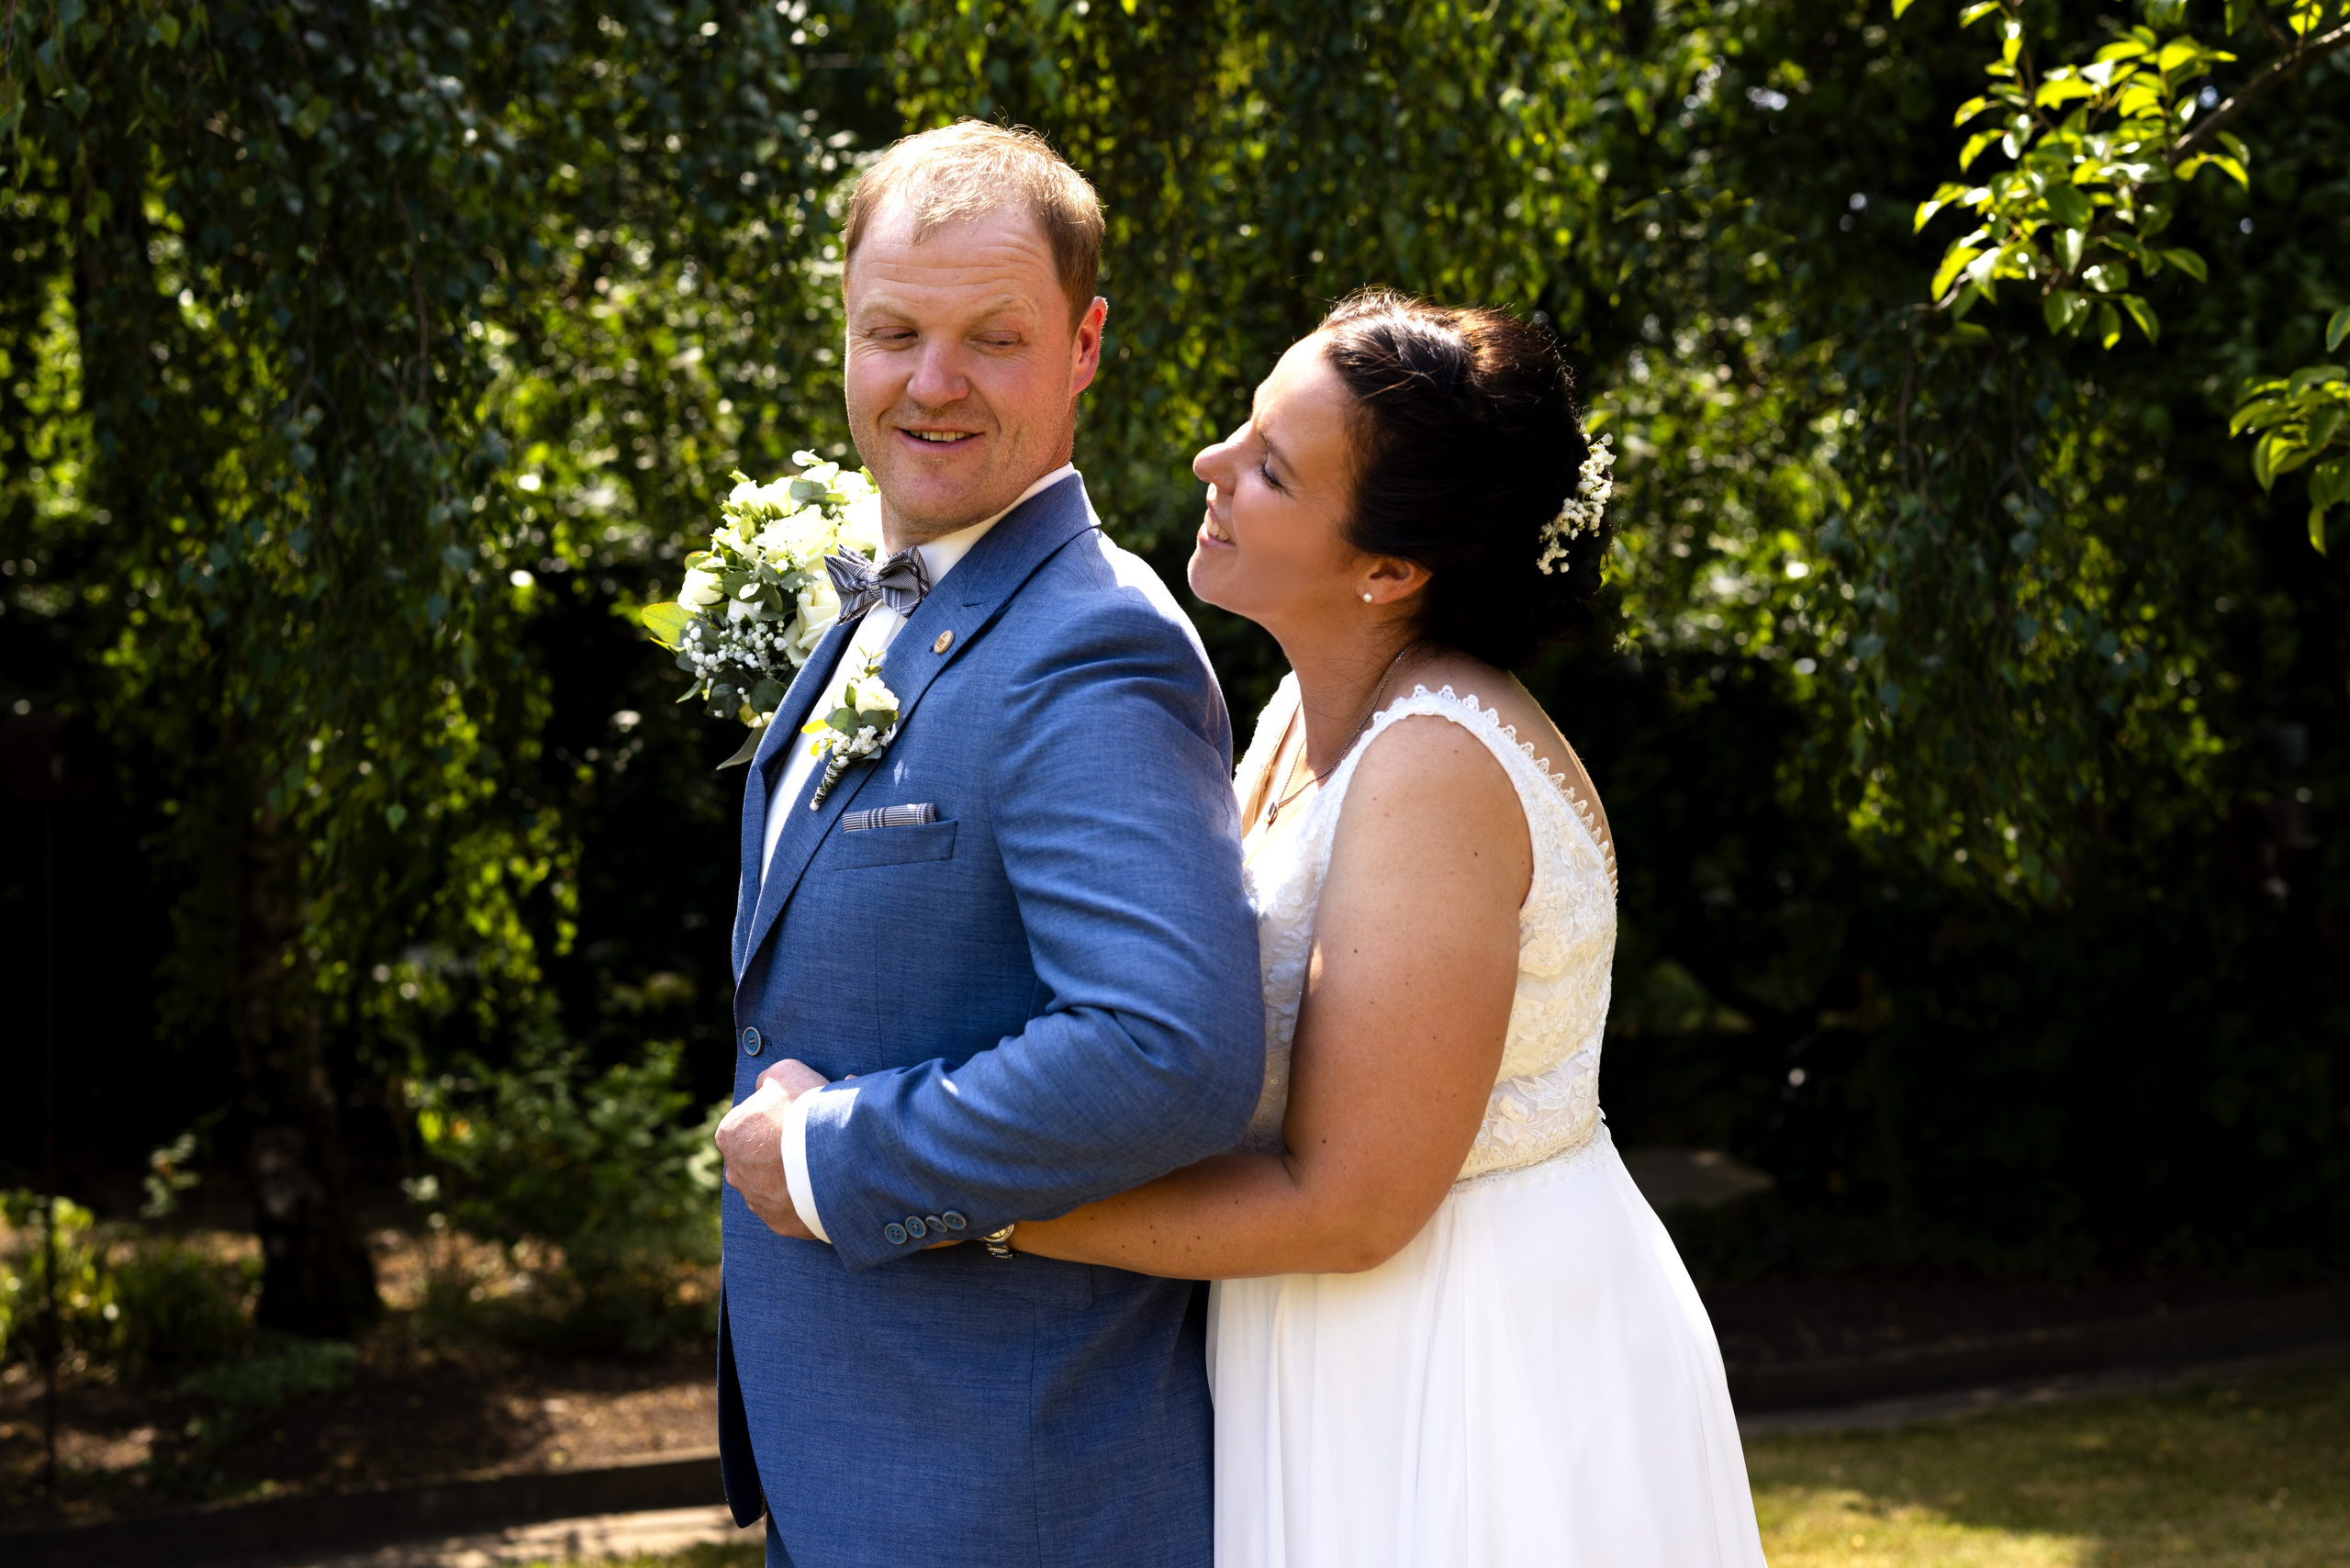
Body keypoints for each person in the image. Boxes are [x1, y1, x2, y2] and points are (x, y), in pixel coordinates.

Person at [1005, 291, 1772, 1567]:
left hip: (1465, 1361)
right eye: (1243, 433)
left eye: (1270, 469)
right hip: (1328, 1335)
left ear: (1390, 569)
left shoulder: (1434, 769)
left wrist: (970, 1205)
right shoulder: (1302, 721)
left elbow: (1353, 1204)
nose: (1211, 467)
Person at [708, 121, 1263, 1568]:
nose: (931, 383)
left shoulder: (1094, 647)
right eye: (893, 331)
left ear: (1083, 345)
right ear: (843, 328)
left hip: (1009, 1491)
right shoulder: (894, 602)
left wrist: (831, 1159)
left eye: (991, 338)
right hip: (865, 1461)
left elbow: (1167, 1051)